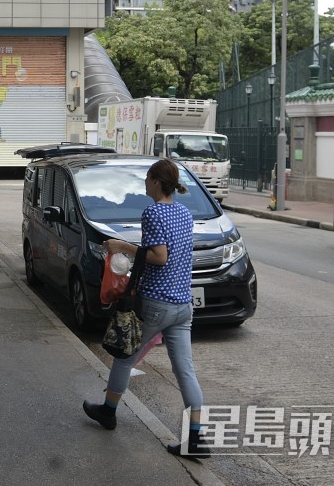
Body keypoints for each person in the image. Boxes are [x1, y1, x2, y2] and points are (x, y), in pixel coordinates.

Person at [82, 158, 209, 459]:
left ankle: (108, 412)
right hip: (182, 304)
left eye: (147, 178)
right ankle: (196, 438)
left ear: (154, 181)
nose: (144, 183)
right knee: (186, 371)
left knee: (124, 356)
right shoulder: (183, 212)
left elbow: (159, 256)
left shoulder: (153, 211)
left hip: (156, 302)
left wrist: (121, 246)